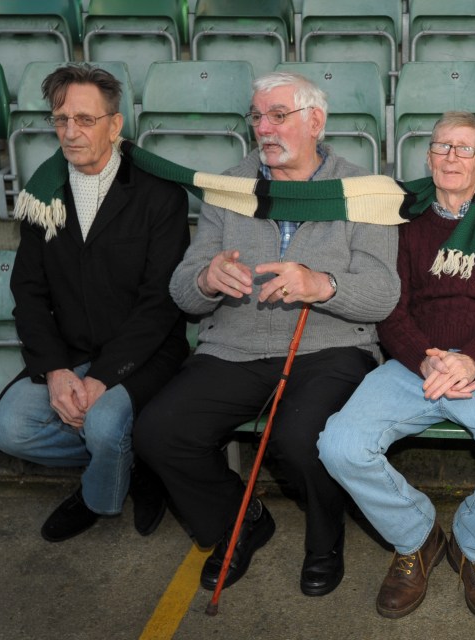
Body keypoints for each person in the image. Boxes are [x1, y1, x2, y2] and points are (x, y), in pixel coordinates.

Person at [132, 71, 400, 598]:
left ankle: (325, 540)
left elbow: (383, 294)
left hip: (332, 346)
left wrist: (321, 284)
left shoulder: (365, 191)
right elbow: (183, 291)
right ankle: (238, 523)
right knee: (158, 432)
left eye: (279, 116)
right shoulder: (229, 188)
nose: (264, 128)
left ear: (315, 121)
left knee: (302, 440)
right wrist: (208, 280)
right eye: (257, 117)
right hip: (235, 345)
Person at [318, 112, 475, 626]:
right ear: (428, 157)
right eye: (442, 147)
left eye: (465, 149)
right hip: (412, 364)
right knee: (339, 445)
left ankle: (472, 545)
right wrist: (425, 356)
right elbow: (390, 307)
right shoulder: (401, 218)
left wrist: (472, 360)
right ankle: (417, 537)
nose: (452, 157)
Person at [0, 64, 190, 543]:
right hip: (72, 351)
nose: (70, 132)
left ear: (115, 125)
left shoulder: (160, 196)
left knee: (102, 424)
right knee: (8, 427)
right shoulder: (44, 194)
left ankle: (98, 493)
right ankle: (130, 462)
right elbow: (29, 291)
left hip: (145, 353)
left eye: (85, 119)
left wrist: (103, 378)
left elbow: (160, 303)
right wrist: (56, 371)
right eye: (61, 120)